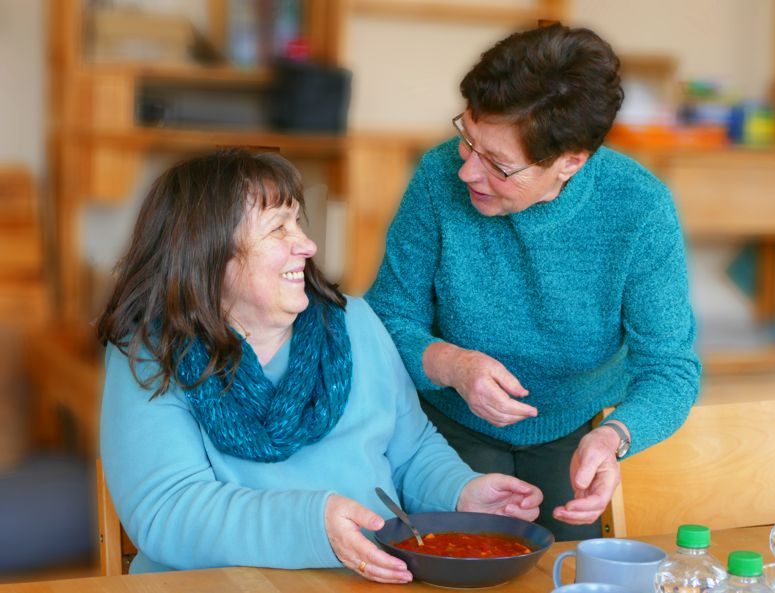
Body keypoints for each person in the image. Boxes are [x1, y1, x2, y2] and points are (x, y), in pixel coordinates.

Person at [96, 149, 542, 582]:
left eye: (298, 222)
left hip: (368, 580)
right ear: (209, 252)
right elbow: (168, 512)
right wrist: (313, 524)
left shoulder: (355, 321)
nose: (307, 245)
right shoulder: (152, 352)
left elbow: (411, 452)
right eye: (278, 229)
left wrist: (460, 491)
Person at [365, 24, 701, 541]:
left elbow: (670, 368)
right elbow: (385, 319)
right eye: (467, 140)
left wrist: (615, 436)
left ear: (570, 162)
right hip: (444, 425)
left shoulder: (639, 209)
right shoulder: (437, 177)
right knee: (451, 558)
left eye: (498, 165)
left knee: (570, 567)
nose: (467, 172)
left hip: (579, 428)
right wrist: (453, 365)